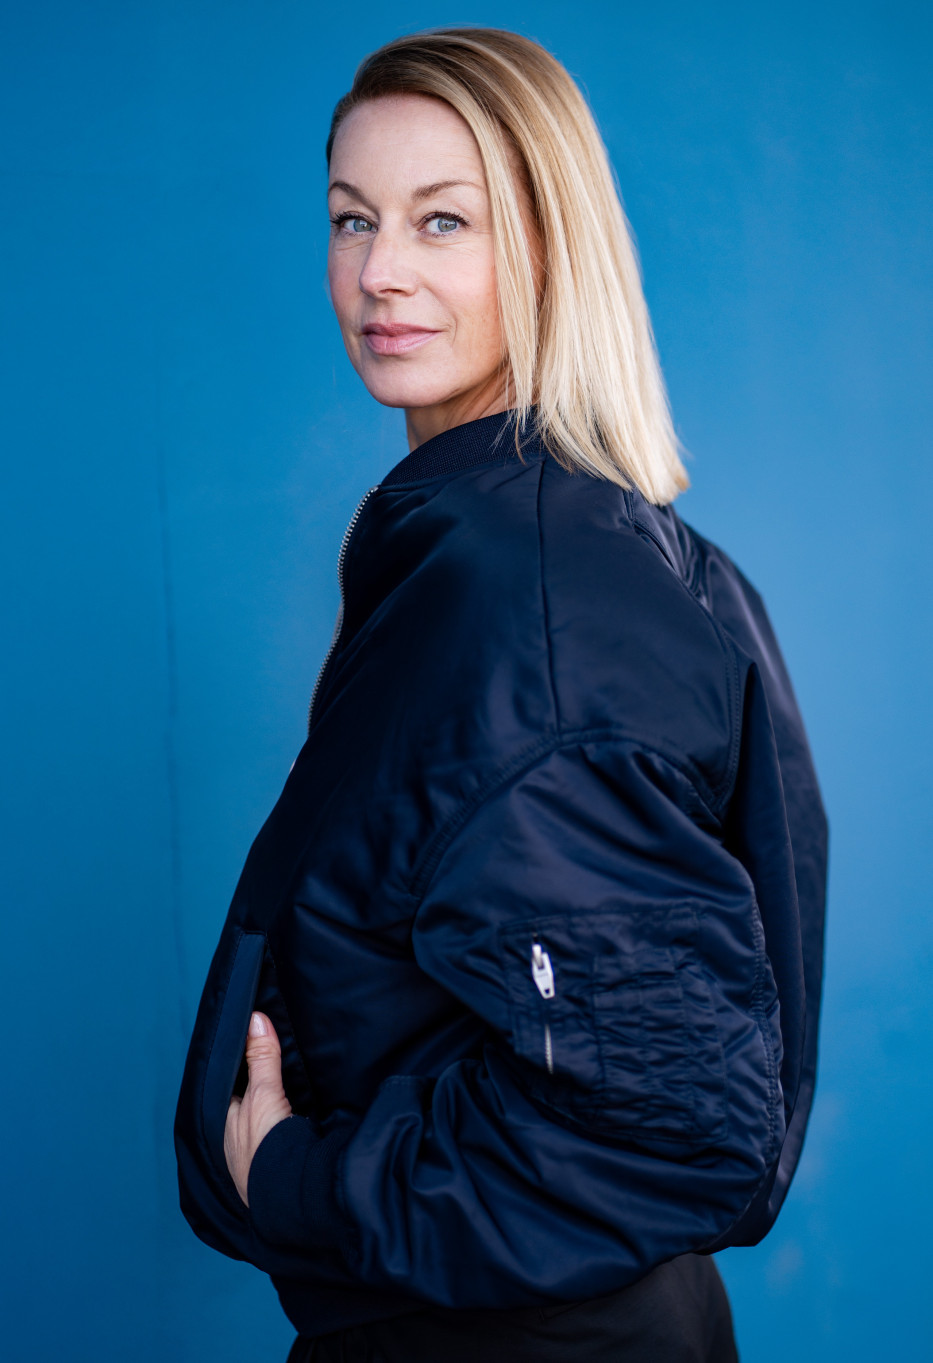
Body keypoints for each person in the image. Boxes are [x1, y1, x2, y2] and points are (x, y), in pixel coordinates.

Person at [174, 27, 828, 1363]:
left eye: (443, 220)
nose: (380, 271)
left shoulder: (528, 591)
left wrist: (298, 1181)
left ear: (546, 246)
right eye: (351, 218)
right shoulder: (562, 553)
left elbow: (668, 1128)